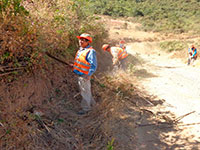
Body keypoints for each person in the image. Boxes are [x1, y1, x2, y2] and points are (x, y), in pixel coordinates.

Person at [72, 33, 97, 115]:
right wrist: (74, 66)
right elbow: (81, 62)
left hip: (84, 76)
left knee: (85, 92)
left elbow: (93, 65)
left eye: (83, 40)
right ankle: (94, 106)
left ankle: (86, 109)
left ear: (88, 42)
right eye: (80, 39)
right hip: (80, 74)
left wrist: (88, 75)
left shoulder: (90, 51)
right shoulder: (81, 50)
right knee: (87, 91)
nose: (81, 41)